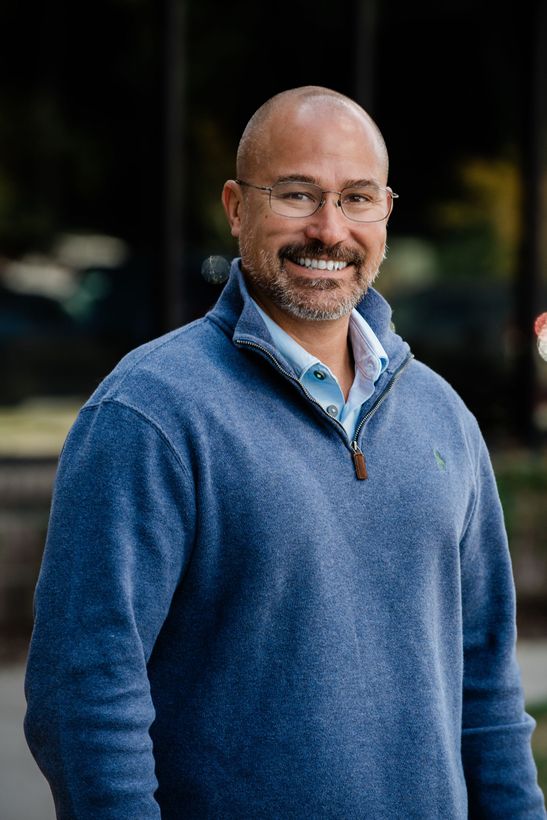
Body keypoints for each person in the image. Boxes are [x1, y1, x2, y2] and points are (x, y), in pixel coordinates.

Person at [25, 86, 545, 819]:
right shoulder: (149, 413)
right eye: (297, 195)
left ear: (386, 213)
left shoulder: (442, 418)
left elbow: (486, 688)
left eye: (356, 197)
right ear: (237, 208)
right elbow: (82, 694)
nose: (329, 229)